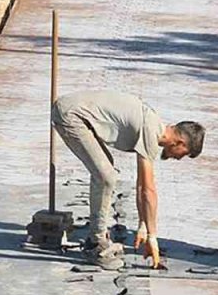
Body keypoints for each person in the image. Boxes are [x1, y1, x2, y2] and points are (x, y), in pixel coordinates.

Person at [52, 90, 205, 270]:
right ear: (180, 143)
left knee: (106, 169)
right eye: (184, 155)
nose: (178, 159)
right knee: (106, 177)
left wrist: (143, 227)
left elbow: (141, 184)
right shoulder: (152, 133)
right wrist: (153, 238)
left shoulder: (154, 126)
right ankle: (96, 244)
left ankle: (97, 234)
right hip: (72, 115)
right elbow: (148, 191)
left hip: (75, 110)